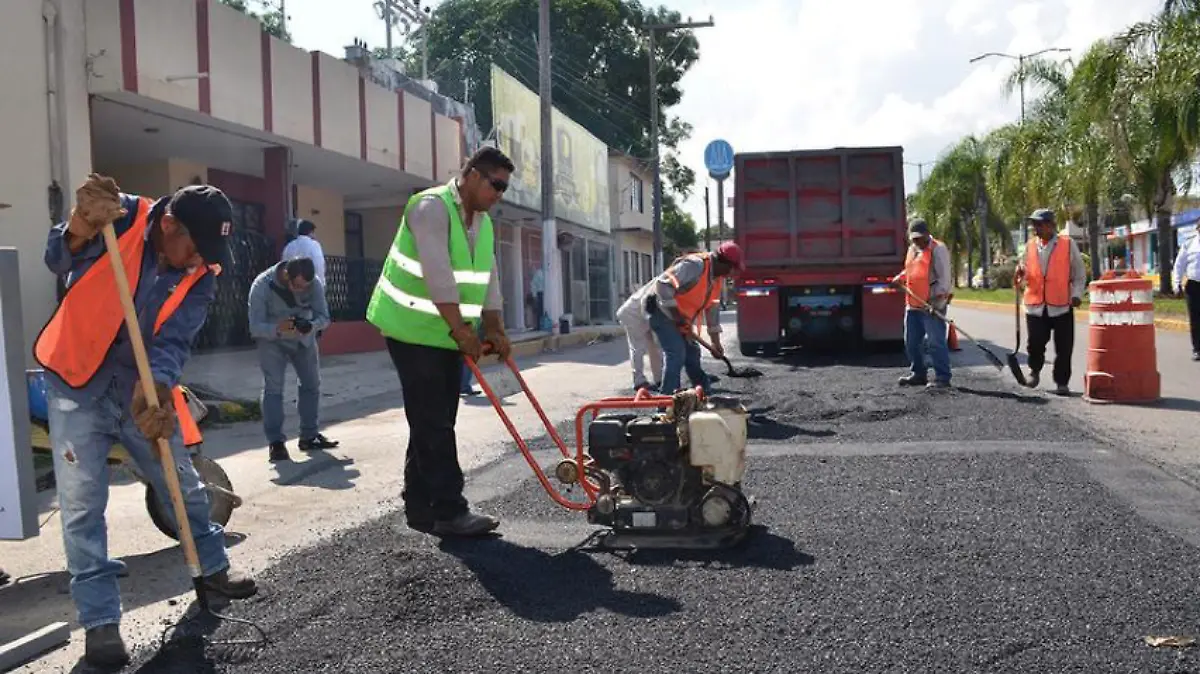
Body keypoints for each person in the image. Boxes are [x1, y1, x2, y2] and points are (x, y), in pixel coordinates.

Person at [34, 175, 257, 668]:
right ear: (170, 224)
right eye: (195, 248)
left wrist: (155, 386)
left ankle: (213, 569)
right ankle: (100, 622)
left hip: (137, 383)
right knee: (83, 505)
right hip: (76, 381)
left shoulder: (204, 272)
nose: (201, 261)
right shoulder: (120, 218)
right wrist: (78, 226)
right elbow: (57, 258)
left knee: (179, 478)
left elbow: (176, 338)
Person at [366, 146, 514, 537]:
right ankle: (450, 509)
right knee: (434, 420)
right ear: (472, 176)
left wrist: (494, 327)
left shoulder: (481, 222)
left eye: (504, 188)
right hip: (410, 328)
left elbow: (489, 278)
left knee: (433, 418)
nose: (499, 194)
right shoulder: (430, 207)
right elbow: (438, 274)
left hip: (442, 332)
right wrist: (464, 332)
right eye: (496, 185)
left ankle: (419, 505)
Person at [248, 256, 338, 462]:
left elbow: (324, 317)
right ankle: (276, 443)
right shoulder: (262, 287)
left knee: (311, 384)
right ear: (286, 276)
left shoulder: (313, 284)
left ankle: (309, 435)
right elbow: (255, 327)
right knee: (273, 388)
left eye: (305, 287)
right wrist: (277, 329)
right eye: (297, 286)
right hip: (272, 341)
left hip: (303, 340)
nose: (301, 291)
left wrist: (311, 325)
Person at [648, 242, 744, 395]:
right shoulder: (695, 266)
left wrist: (715, 343)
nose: (732, 273)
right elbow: (663, 286)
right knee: (676, 353)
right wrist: (677, 317)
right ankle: (666, 404)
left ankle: (704, 394)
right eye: (732, 268)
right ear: (722, 262)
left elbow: (712, 312)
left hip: (681, 319)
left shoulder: (717, 279)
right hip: (663, 314)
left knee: (692, 354)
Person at [1014, 208, 1086, 395]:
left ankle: (1062, 382)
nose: (1036, 228)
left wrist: (1077, 294)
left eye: (1040, 224)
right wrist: (1020, 275)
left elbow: (1079, 274)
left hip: (1062, 304)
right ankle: (1034, 371)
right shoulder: (1029, 246)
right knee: (1035, 343)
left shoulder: (1067, 244)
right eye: (1034, 224)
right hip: (1035, 305)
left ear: (1051, 226)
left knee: (1064, 347)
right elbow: (1024, 274)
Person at [891, 218, 953, 390]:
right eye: (914, 238)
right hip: (913, 304)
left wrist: (937, 302)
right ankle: (918, 373)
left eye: (920, 238)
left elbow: (945, 279)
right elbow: (912, 269)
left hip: (931, 305)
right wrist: (901, 278)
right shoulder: (913, 249)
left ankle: (943, 378)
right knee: (911, 342)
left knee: (935, 342)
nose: (917, 241)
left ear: (927, 234)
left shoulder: (938, 249)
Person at [617, 277, 663, 392]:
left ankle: (659, 379)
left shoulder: (664, 280)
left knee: (654, 347)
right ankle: (639, 382)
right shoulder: (663, 282)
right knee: (638, 348)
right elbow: (646, 302)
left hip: (641, 315)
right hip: (633, 314)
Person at [1172, 229, 1200, 361]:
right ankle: (1197, 349)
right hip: (1193, 285)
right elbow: (1179, 265)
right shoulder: (1189, 244)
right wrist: (1176, 283)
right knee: (1195, 319)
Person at [281, 218, 326, 283]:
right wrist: (321, 281)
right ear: (310, 232)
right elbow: (319, 265)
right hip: (310, 283)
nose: (315, 236)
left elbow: (284, 264)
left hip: (292, 284)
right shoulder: (314, 245)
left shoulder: (289, 246)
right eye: (313, 233)